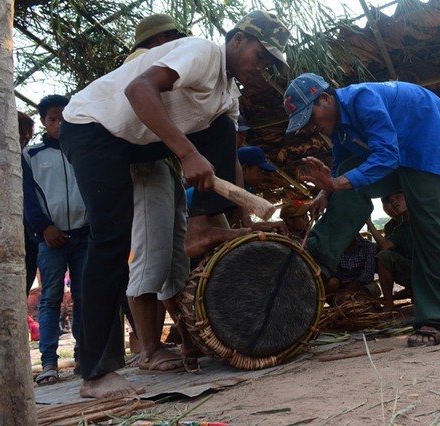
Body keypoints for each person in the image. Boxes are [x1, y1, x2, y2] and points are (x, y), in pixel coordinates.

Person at [59, 11, 290, 398]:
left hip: (134, 141)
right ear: (236, 40)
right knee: (111, 238)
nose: (262, 66)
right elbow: (139, 90)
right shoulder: (201, 52)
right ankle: (96, 372)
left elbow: (226, 154)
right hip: (92, 128)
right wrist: (186, 154)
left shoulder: (229, 93)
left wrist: (241, 219)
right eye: (260, 55)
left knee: (223, 127)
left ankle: (201, 223)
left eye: (269, 62)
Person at [283, 73, 440, 347]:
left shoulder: (362, 99)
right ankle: (316, 259)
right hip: (398, 153)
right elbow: (343, 163)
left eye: (311, 117)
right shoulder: (339, 124)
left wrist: (336, 183)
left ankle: (434, 318)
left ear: (325, 98)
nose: (311, 127)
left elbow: (387, 156)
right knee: (346, 178)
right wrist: (326, 190)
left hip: (430, 142)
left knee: (428, 227)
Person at [123, 13, 196, 372]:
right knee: (151, 256)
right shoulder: (140, 64)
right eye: (172, 38)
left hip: (167, 166)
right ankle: (149, 351)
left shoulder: (155, 65)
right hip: (146, 165)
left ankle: (186, 340)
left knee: (173, 263)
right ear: (158, 39)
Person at [22, 95, 88, 386]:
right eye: (52, 119)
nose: (59, 123)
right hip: (50, 240)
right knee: (50, 299)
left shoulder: (83, 151)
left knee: (85, 298)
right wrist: (44, 228)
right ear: (43, 122)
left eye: (64, 117)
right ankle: (49, 362)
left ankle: (84, 356)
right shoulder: (32, 156)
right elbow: (28, 200)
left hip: (84, 236)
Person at [367, 192, 440, 317]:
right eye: (390, 200)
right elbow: (385, 246)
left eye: (398, 196)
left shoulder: (429, 219)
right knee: (383, 256)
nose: (393, 202)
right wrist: (369, 223)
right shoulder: (400, 229)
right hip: (417, 274)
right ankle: (389, 305)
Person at [18, 111, 39, 296]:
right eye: (21, 132)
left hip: (28, 239)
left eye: (27, 134)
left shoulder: (27, 159)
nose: (25, 137)